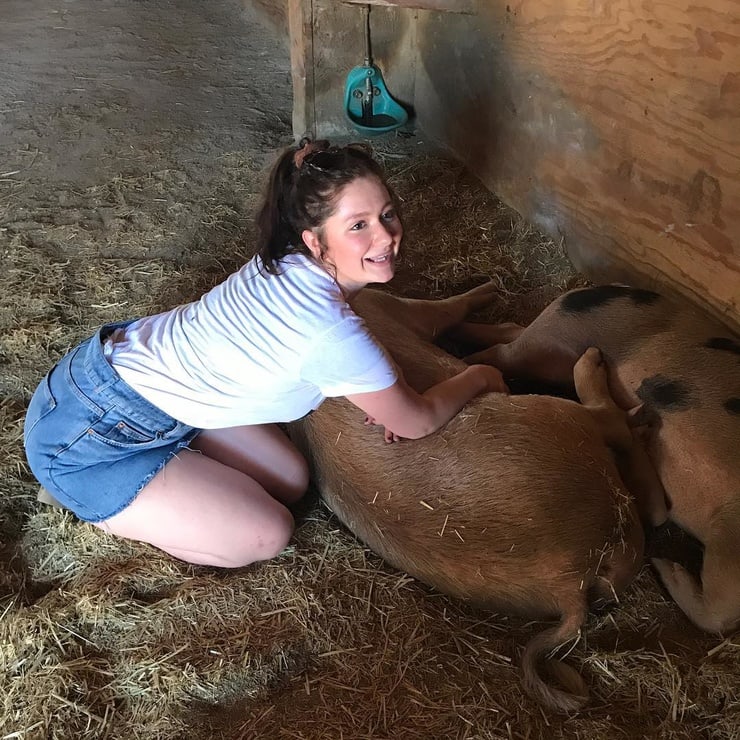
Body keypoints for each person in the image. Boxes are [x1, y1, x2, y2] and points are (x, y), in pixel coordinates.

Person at [23, 139, 507, 568]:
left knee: (290, 479)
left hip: (109, 378)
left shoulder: (287, 259)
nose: (385, 236)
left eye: (387, 214)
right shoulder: (333, 332)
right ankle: (89, 504)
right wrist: (481, 376)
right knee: (268, 533)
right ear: (315, 240)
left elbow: (343, 359)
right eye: (358, 225)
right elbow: (416, 422)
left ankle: (180, 474)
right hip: (86, 441)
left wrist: (383, 389)